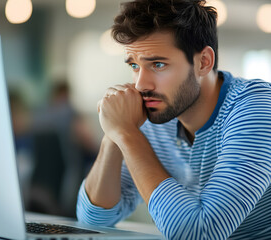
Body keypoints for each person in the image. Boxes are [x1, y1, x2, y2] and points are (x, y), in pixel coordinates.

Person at [76, 0, 271, 239]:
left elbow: (199, 233)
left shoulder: (256, 106)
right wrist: (114, 133)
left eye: (158, 64)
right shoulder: (155, 112)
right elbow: (94, 219)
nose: (141, 84)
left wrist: (127, 133)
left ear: (203, 62)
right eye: (135, 66)